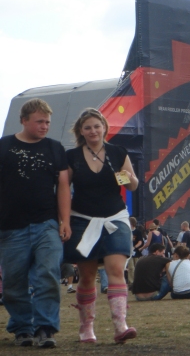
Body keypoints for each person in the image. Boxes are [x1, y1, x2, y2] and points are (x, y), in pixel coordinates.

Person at [63, 107, 139, 344]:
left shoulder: (118, 152)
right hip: (82, 219)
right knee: (86, 276)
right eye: (88, 127)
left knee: (116, 270)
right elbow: (64, 189)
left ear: (104, 127)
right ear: (81, 131)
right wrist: (64, 221)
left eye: (97, 126)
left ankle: (120, 326)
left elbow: (133, 186)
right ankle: (86, 327)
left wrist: (127, 177)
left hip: (114, 218)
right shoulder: (71, 156)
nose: (93, 130)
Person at [0, 98, 71, 347]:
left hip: (46, 223)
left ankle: (45, 328)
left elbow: (63, 186)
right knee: (13, 282)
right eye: (39, 121)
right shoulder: (3, 146)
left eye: (48, 122)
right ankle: (22, 328)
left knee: (48, 274)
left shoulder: (54, 148)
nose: (45, 126)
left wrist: (65, 221)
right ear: (24, 120)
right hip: (10, 226)